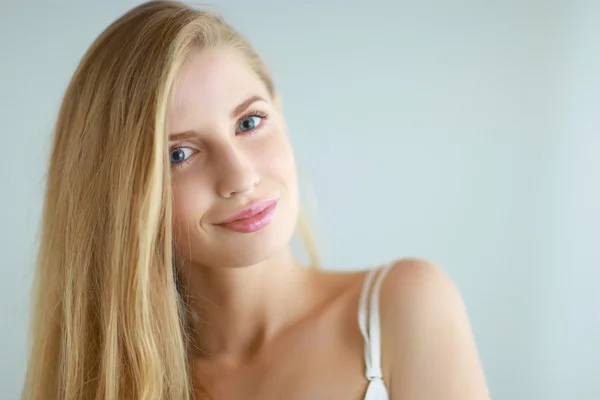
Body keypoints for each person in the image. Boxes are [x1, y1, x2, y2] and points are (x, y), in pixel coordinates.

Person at [22, 1, 490, 399]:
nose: (240, 177)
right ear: (118, 195)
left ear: (279, 113)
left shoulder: (402, 308)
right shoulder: (107, 382)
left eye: (249, 122)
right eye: (179, 154)